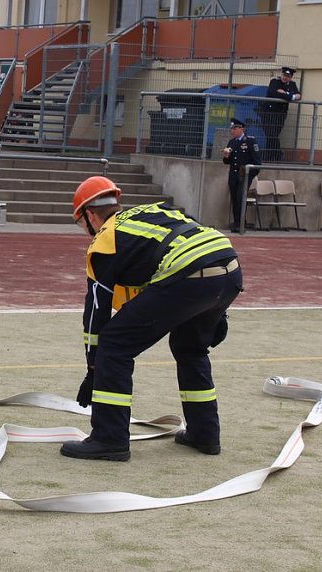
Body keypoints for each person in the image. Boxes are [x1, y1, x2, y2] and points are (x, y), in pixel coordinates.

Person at [59, 176, 243, 462]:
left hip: (187, 273)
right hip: (229, 266)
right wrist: (212, 315)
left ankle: (109, 439)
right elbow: (196, 235)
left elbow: (96, 311)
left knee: (114, 344)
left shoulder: (104, 239)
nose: (85, 230)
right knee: (190, 348)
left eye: (81, 223)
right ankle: (204, 434)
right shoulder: (155, 212)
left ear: (90, 215)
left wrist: (94, 366)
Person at [221, 117, 261, 233]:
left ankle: (240, 222)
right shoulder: (232, 142)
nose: (232, 131)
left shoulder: (250, 141)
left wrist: (249, 177)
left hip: (244, 176)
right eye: (231, 129)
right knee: (234, 199)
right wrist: (226, 156)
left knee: (240, 198)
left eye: (234, 128)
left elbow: (257, 163)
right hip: (233, 176)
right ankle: (237, 221)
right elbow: (227, 162)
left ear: (241, 129)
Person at [260, 66, 301, 162]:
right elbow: (275, 93)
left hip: (281, 114)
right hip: (268, 113)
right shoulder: (274, 82)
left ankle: (269, 157)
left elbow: (299, 96)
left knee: (273, 136)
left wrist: (286, 94)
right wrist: (290, 95)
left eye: (288, 76)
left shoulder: (292, 84)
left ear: (291, 77)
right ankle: (278, 155)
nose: (285, 77)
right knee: (271, 134)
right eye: (284, 75)